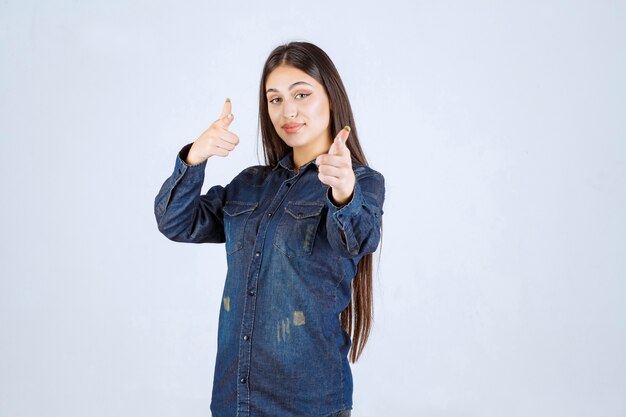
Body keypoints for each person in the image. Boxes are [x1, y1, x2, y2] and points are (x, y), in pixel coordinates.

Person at [154, 41, 385, 417]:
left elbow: (359, 238)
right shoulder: (249, 184)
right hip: (235, 401)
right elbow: (176, 222)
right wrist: (194, 157)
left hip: (309, 404)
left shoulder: (361, 182)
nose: (288, 110)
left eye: (302, 94)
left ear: (331, 97)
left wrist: (343, 192)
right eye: (274, 99)